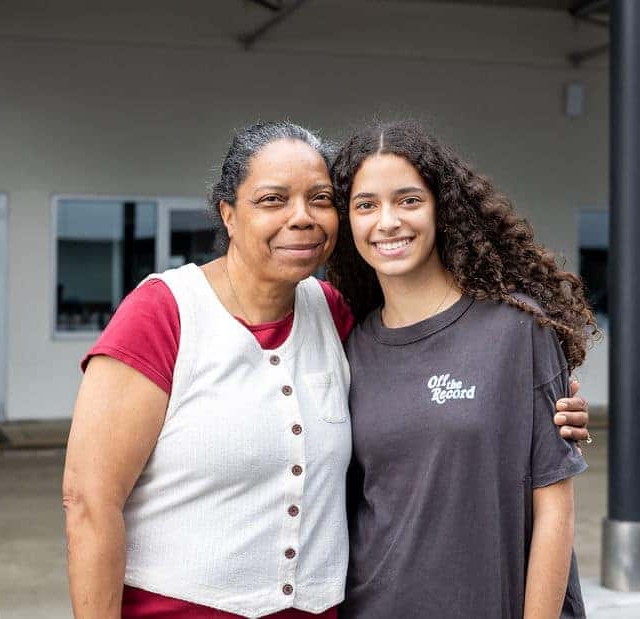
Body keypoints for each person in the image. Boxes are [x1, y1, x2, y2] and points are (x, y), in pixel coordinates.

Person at [63, 121, 593, 619]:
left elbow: (436, 382)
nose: (301, 216)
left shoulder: (334, 315)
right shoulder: (166, 311)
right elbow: (89, 502)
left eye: (319, 199)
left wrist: (547, 408)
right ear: (228, 214)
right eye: (273, 199)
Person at [327, 120, 597, 618]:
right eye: (366, 205)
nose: (387, 221)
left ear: (441, 208)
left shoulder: (518, 329)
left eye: (408, 200)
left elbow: (554, 509)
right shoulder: (349, 349)